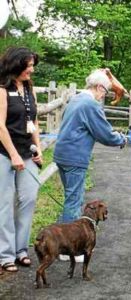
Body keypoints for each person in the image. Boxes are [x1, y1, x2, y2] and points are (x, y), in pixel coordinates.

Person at [53, 69, 126, 260]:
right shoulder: (90, 104)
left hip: (63, 154)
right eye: (106, 92)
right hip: (75, 156)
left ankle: (64, 244)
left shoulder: (76, 99)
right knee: (74, 200)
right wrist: (121, 139)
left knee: (71, 198)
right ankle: (68, 249)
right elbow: (104, 133)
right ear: (99, 87)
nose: (105, 96)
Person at [0, 47, 42, 273]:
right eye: (28, 66)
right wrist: (13, 154)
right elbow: (0, 126)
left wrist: (38, 147)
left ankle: (21, 250)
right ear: (15, 65)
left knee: (29, 198)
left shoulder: (28, 89)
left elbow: (33, 120)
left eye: (32, 65)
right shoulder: (2, 90)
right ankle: (5, 255)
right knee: (4, 204)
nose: (31, 70)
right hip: (4, 154)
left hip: (27, 153)